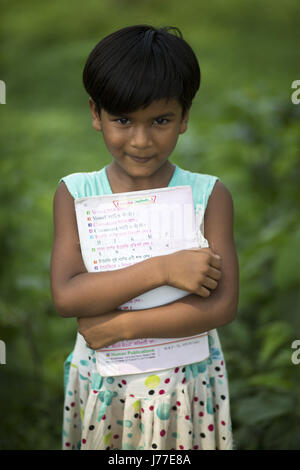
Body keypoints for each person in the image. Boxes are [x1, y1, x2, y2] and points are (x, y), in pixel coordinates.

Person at [50, 24, 239, 451]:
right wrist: (164, 269)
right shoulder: (76, 194)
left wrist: (121, 326)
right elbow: (67, 297)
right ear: (95, 114)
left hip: (184, 386)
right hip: (106, 382)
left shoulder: (208, 196)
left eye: (160, 120)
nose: (140, 140)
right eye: (122, 120)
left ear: (185, 117)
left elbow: (222, 304)